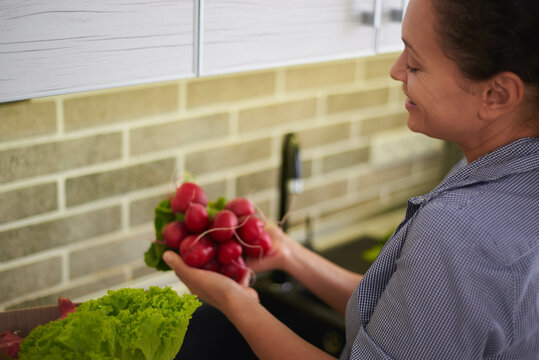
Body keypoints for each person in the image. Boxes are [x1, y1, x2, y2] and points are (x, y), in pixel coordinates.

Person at [164, 0, 539, 358]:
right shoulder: (507, 182)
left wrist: (236, 303)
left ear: (496, 94)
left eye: (416, 63)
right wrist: (291, 255)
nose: (396, 70)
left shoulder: (458, 230)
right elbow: (408, 325)